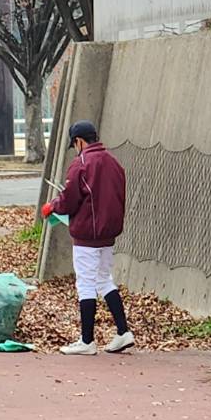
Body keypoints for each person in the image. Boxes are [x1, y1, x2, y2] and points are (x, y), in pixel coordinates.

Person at [41, 120, 135, 356]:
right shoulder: (113, 162)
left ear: (79, 141)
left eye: (74, 144)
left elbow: (69, 200)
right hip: (108, 233)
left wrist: (53, 206)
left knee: (85, 284)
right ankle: (123, 332)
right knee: (104, 280)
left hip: (86, 235)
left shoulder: (81, 163)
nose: (75, 148)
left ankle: (87, 340)